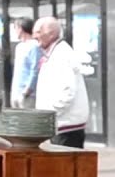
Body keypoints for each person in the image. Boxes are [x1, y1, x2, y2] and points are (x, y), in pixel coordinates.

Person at [32, 17, 90, 148]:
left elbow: (67, 91)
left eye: (38, 31)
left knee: (65, 160)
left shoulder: (61, 55)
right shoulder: (55, 53)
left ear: (52, 33)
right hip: (61, 123)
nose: (34, 36)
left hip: (66, 125)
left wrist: (50, 114)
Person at [9, 17, 40, 108]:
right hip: (16, 92)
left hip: (28, 94)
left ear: (21, 28)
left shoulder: (34, 46)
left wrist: (27, 90)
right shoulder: (19, 47)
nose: (15, 31)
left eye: (15, 28)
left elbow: (35, 69)